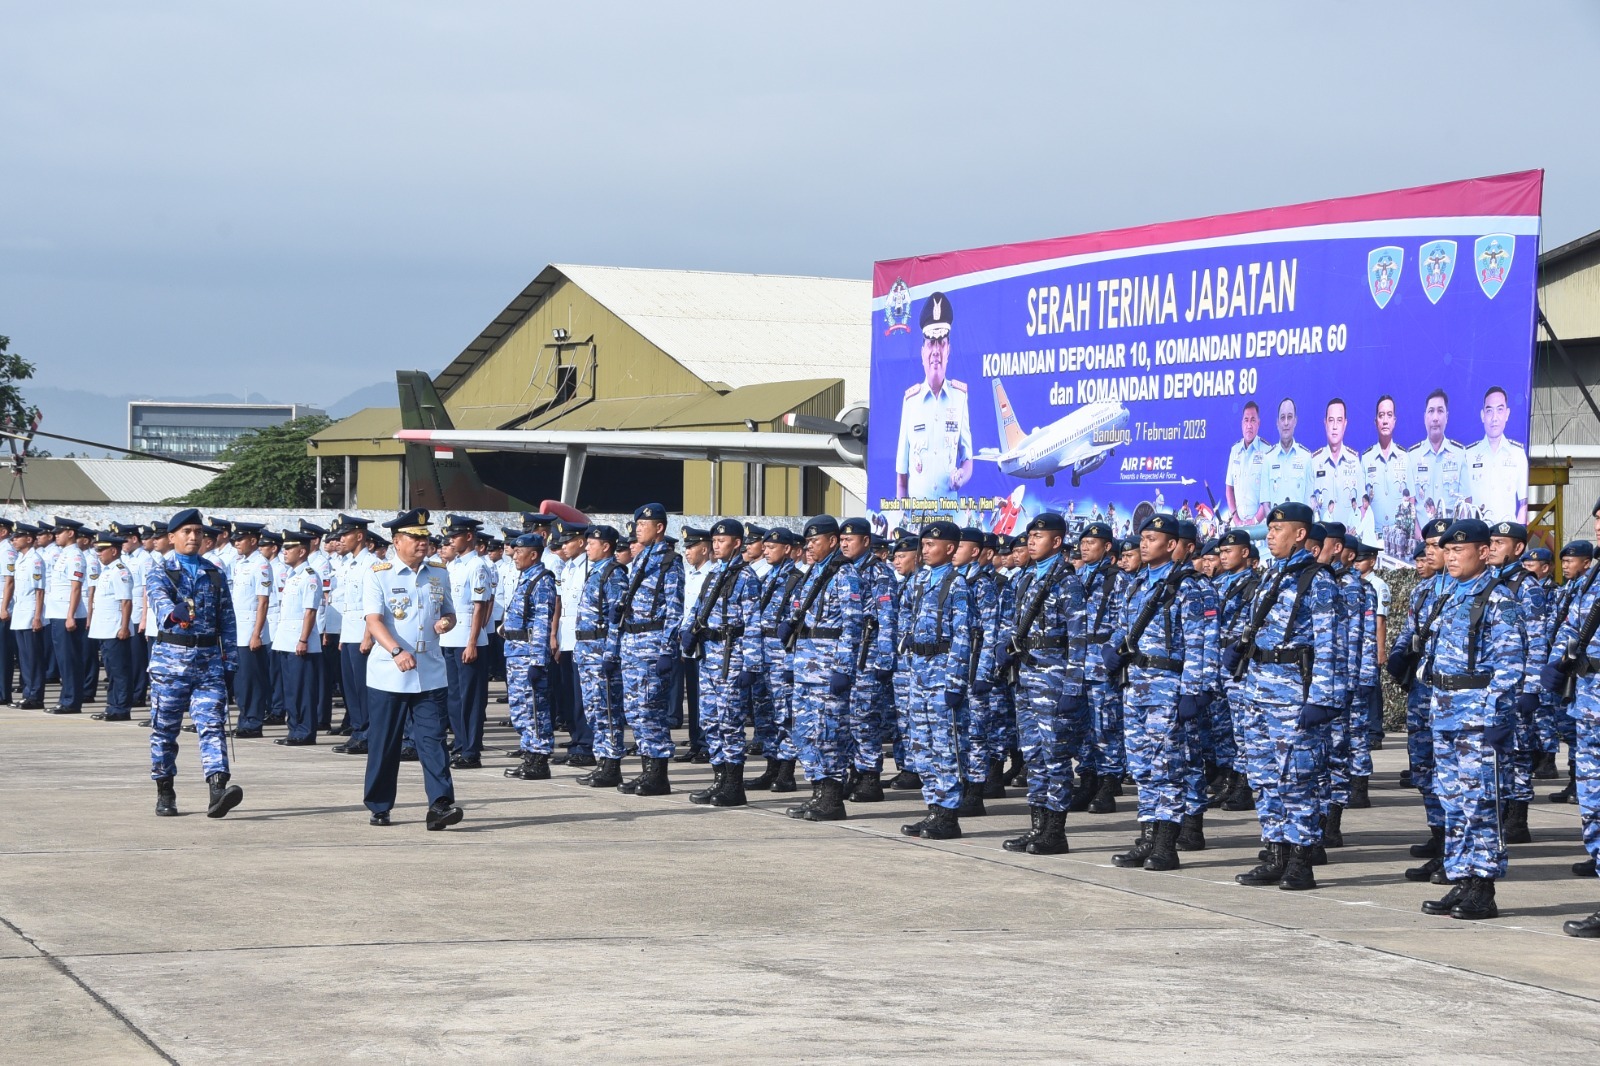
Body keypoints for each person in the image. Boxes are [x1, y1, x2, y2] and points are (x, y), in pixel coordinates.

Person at [1223, 502, 1340, 890]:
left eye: (1278, 529)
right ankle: (1276, 853)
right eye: (1269, 530)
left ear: (1300, 534)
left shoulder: (1317, 581)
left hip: (1294, 692)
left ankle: (1301, 860)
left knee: (1297, 779)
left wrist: (1321, 700)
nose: (1270, 535)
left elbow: (1329, 647)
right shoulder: (1272, 576)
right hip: (1258, 689)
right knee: (1262, 776)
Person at [1417, 518, 1525, 921]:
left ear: (1483, 552)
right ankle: (1460, 878)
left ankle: (1483, 887)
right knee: (1452, 801)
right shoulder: (1449, 595)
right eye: (1446, 550)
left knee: (1480, 801)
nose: (1450, 557)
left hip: (1478, 715)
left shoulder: (1498, 599)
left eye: (1459, 550)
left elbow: (1510, 663)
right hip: (1445, 712)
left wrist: (1498, 714)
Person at [1103, 514, 1211, 872]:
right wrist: (1111, 650)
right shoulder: (1135, 583)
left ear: (1171, 544)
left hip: (1168, 686)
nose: (1144, 544)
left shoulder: (1188, 586)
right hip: (1136, 685)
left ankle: (1167, 844)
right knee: (1142, 767)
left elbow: (1200, 644)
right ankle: (1148, 837)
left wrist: (1194, 692)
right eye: (1142, 537)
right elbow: (1123, 627)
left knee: (1168, 767)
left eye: (1152, 538)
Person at [982, 513, 1084, 852]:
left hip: (1053, 678)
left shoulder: (1067, 582)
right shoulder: (1024, 578)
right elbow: (1012, 624)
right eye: (1030, 536)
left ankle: (1056, 830)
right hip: (1025, 677)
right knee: (1033, 755)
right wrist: (1002, 648)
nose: (1031, 541)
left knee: (1055, 756)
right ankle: (1037, 826)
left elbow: (1079, 640)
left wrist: (1073, 687)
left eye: (1039, 536)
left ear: (1056, 542)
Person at [360, 508, 462, 829]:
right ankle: (379, 804)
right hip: (390, 673)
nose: (423, 543)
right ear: (396, 541)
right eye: (415, 538)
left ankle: (440, 805)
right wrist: (395, 650)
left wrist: (447, 622)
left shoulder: (438, 572)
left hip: (430, 671)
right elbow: (373, 621)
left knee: (433, 741)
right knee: (385, 743)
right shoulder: (379, 573)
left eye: (425, 537)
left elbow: (450, 612)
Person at [145, 508, 242, 819]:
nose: (193, 537)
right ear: (171, 537)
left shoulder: (213, 573)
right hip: (170, 665)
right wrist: (174, 613)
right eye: (186, 532)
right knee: (164, 730)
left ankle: (217, 790)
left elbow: (227, 620)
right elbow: (160, 603)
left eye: (198, 532)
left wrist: (231, 660)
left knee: (212, 725)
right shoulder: (160, 572)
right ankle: (165, 789)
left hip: (208, 663)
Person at [894, 520, 973, 839]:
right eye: (922, 545)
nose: (923, 550)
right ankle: (933, 808)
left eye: (930, 545)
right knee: (921, 743)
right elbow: (905, 624)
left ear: (950, 548)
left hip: (942, 670)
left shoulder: (957, 584)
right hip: (918, 672)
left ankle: (949, 815)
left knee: (944, 745)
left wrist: (955, 683)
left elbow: (963, 636)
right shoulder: (918, 581)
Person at [782, 515, 864, 822]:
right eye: (807, 542)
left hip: (828, 667)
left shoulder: (845, 574)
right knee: (804, 731)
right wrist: (792, 663)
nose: (809, 547)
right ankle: (817, 792)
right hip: (806, 665)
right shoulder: (812, 574)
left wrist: (843, 668)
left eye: (815, 541)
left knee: (829, 733)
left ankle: (831, 798)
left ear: (832, 541)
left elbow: (853, 625)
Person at [681, 518, 763, 806]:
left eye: (722, 540)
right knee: (710, 720)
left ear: (737, 543)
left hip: (732, 656)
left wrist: (751, 666)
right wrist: (687, 633)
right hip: (709, 656)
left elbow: (754, 623)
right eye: (714, 540)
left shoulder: (746, 577)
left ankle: (733, 784)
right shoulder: (714, 575)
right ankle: (718, 779)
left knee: (730, 722)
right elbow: (698, 608)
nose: (716, 544)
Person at [616, 503, 685, 796]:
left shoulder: (670, 562)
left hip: (652, 645)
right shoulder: (641, 560)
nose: (637, 529)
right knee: (635, 711)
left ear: (659, 528)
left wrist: (668, 650)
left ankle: (658, 776)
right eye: (636, 524)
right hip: (633, 645)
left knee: (650, 711)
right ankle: (647, 771)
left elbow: (675, 609)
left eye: (643, 525)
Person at [1071, 521, 1126, 815]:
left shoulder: (1118, 580)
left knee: (1105, 726)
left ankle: (1108, 784)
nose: (1085, 546)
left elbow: (1125, 620)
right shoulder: (1077, 577)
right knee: (1082, 728)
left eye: (1092, 542)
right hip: (1077, 663)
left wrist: (1112, 649)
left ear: (1107, 547)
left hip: (1101, 663)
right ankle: (1088, 779)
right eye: (1083, 542)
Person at [895, 291, 972, 500]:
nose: (936, 351)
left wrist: (961, 477)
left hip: (949, 516)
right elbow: (902, 476)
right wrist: (902, 521)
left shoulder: (960, 397)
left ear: (949, 351)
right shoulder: (911, 401)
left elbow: (968, 460)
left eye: (941, 342)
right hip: (918, 516)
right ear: (922, 352)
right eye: (931, 342)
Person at [746, 528, 806, 793]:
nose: (767, 550)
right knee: (765, 713)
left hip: (782, 653)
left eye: (773, 547)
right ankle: (771, 766)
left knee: (785, 714)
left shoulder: (797, 579)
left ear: (789, 549)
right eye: (766, 547)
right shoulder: (768, 576)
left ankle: (786, 771)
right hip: (762, 651)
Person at [572, 525, 629, 788]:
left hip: (601, 651)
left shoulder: (614, 574)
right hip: (586, 650)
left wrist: (611, 654)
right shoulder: (596, 572)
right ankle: (602, 760)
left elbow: (616, 618)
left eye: (591, 543)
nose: (586, 547)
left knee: (608, 709)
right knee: (594, 710)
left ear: (606, 546)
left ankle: (612, 764)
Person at [439, 514, 494, 769]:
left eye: (455, 535)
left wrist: (472, 642)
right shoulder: (453, 565)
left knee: (471, 698)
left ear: (469, 536)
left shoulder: (477, 566)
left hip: (468, 639)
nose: (451, 540)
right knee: (454, 696)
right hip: (450, 637)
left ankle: (471, 750)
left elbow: (479, 606)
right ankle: (460, 744)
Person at [503, 532, 559, 780]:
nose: (515, 555)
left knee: (535, 709)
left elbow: (541, 623)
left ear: (533, 554)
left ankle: (539, 759)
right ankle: (529, 754)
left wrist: (538, 661)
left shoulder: (542, 581)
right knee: (520, 709)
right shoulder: (526, 578)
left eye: (519, 551)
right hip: (515, 653)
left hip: (528, 655)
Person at [271, 529, 323, 746]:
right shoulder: (293, 576)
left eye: (289, 548)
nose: (285, 552)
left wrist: (302, 640)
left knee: (302, 689)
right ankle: (294, 729)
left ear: (302, 551)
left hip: (300, 642)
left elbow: (309, 611)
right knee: (291, 688)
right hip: (286, 639)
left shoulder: (309, 576)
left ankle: (305, 730)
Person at [332, 514, 376, 756]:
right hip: (349, 632)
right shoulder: (349, 565)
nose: (341, 539)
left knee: (363, 687)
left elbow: (372, 605)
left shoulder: (370, 564)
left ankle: (368, 734)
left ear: (359, 536)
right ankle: (357, 731)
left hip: (363, 633)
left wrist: (368, 636)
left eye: (345, 534)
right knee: (350, 687)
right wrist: (342, 637)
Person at [227, 522, 273, 739]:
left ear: (253, 541)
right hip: (239, 629)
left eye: (240, 539)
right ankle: (244, 719)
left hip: (251, 632)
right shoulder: (241, 564)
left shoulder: (260, 565)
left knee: (253, 680)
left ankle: (253, 722)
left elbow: (262, 602)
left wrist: (257, 633)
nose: (236, 542)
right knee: (241, 680)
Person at [674, 528, 714, 763]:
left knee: (705, 697)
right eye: (686, 547)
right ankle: (696, 743)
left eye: (691, 547)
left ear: (704, 549)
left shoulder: (712, 575)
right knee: (693, 697)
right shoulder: (689, 574)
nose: (687, 552)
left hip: (703, 644)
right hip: (687, 644)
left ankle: (707, 743)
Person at [86, 532, 135, 722]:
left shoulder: (120, 570)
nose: (98, 553)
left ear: (113, 551)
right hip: (105, 629)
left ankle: (121, 708)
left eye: (101, 550)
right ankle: (112, 706)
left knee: (120, 671)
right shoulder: (107, 570)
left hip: (115, 630)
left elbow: (126, 602)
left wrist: (124, 627)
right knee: (111, 671)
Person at [1462, 386, 1529, 524]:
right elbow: (1465, 503)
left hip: (1506, 534)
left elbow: (1524, 504)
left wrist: (1517, 537)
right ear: (1482, 415)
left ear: (1507, 414)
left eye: (1499, 410)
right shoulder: (1469, 455)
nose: (1494, 418)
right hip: (1478, 535)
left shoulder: (1517, 454)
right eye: (1489, 411)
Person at [43, 517, 88, 714]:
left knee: (70, 660)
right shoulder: (64, 554)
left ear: (70, 533)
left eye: (59, 532)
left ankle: (71, 701)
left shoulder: (75, 556)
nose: (56, 536)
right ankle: (65, 698)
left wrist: (70, 615)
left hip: (67, 615)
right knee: (63, 660)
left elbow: (76, 588)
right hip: (58, 612)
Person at [1409, 388, 1467, 533]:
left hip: (1451, 541)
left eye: (1440, 411)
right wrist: (1418, 537)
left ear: (1447, 417)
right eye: (1431, 411)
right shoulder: (1412, 456)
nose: (1435, 417)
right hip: (1422, 541)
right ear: (1424, 417)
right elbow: (1410, 503)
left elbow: (1466, 503)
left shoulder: (1459, 454)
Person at [1363, 395, 1412, 548]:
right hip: (1372, 541)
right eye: (1381, 415)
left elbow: (1411, 501)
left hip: (1400, 542)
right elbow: (1362, 505)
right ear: (1375, 421)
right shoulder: (1366, 458)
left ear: (1394, 421)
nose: (1385, 420)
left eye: (1389, 415)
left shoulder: (1405, 457)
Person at [1255, 398, 1314, 518]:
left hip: (1299, 531)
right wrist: (1275, 528)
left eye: (1290, 417)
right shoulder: (1268, 459)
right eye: (1282, 418)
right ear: (1277, 423)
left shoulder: (1306, 457)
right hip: (1276, 531)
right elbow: (1266, 505)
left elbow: (1310, 504)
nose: (1286, 422)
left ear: (1295, 421)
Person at [8, 523, 46, 709]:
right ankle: (28, 693)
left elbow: (39, 591)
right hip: (20, 613)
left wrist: (37, 616)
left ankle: (36, 696)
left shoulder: (35, 560)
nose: (13, 540)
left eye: (18, 536)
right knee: (24, 658)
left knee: (33, 657)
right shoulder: (20, 560)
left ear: (29, 539)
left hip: (31, 613)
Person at [1311, 398, 1364, 526]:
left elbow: (1362, 507)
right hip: (1322, 541)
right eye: (1331, 420)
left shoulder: (1355, 461)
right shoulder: (1314, 462)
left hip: (1349, 541)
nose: (1335, 426)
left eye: (1339, 420)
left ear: (1345, 424)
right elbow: (1309, 508)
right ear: (1325, 423)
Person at [1225, 401, 1270, 525]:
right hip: (1238, 526)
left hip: (1260, 528)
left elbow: (1269, 493)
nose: (1249, 425)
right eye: (1246, 420)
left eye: (1253, 420)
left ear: (1258, 424)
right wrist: (1236, 519)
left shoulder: (1267, 451)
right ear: (1241, 423)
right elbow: (1229, 488)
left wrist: (1254, 520)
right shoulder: (1235, 451)